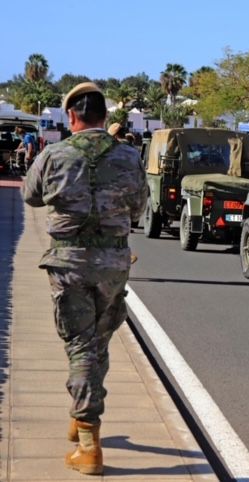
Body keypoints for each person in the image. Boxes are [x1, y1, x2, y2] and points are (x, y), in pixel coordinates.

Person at [22, 82, 147, 475]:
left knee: (80, 347)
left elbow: (30, 195)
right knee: (98, 341)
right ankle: (80, 420)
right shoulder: (129, 156)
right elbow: (140, 205)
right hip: (113, 262)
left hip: (70, 262)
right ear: (105, 117)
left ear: (71, 117)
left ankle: (90, 444)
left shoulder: (55, 153)